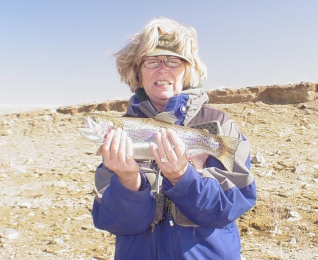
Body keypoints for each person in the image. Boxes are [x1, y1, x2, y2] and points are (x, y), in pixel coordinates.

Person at [92, 17, 257, 260]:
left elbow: (231, 205)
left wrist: (183, 178)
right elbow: (113, 221)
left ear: (188, 70)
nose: (162, 69)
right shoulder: (120, 133)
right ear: (136, 70)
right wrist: (128, 181)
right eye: (151, 61)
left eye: (173, 61)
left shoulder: (219, 125)